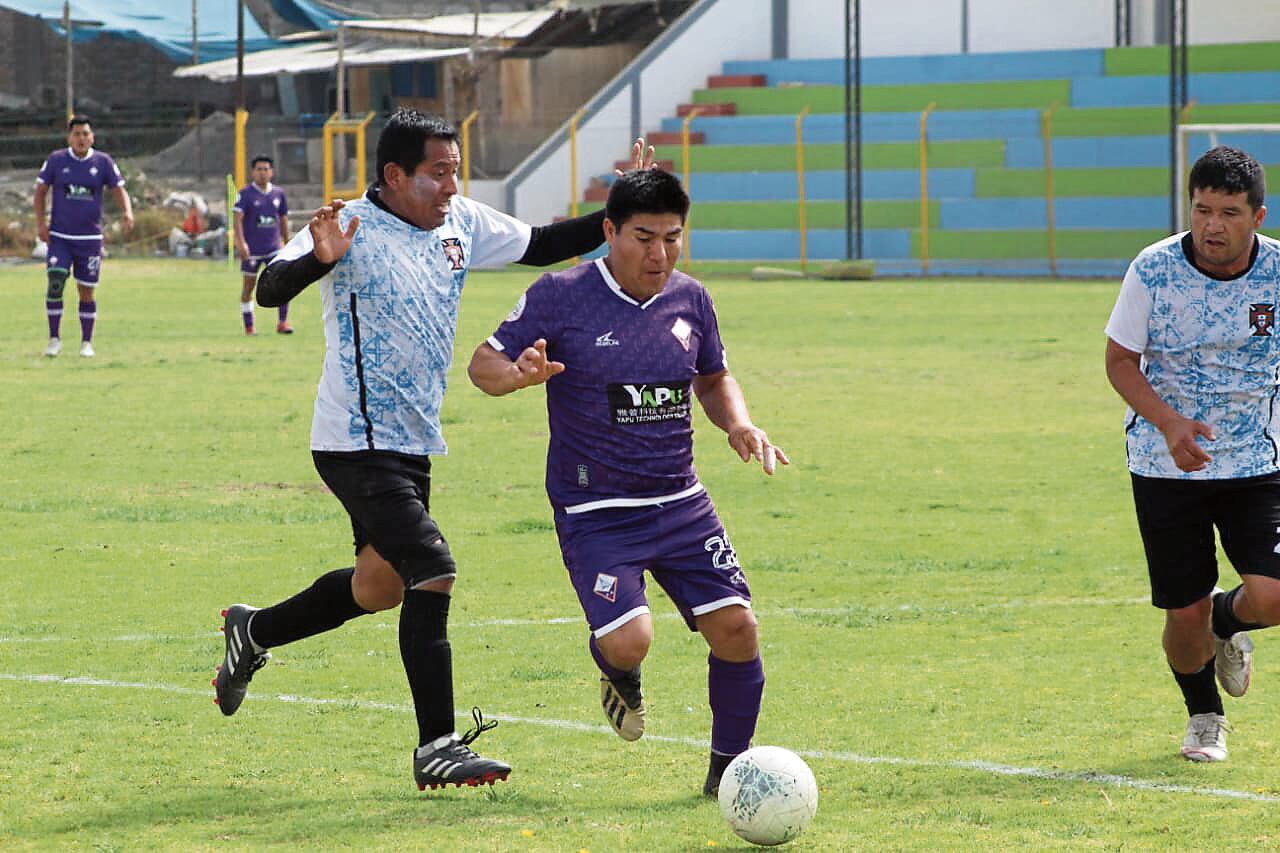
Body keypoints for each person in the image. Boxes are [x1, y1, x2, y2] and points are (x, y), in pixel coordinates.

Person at [212, 108, 654, 792]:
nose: (452, 184)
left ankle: (254, 630)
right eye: (437, 172)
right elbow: (271, 285)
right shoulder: (349, 223)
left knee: (379, 586)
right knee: (433, 566)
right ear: (395, 175)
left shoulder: (461, 222)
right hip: (353, 441)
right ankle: (436, 745)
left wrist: (616, 206)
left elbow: (540, 243)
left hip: (412, 441)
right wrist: (316, 260)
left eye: (456, 169)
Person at [467, 168, 789, 797]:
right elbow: (484, 363)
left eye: (673, 238)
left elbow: (713, 377)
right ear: (608, 231)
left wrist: (740, 425)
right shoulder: (560, 295)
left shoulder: (691, 298)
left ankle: (728, 774)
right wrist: (518, 376)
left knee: (738, 629)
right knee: (628, 641)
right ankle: (616, 670)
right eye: (644, 237)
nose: (659, 254)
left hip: (680, 502)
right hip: (596, 509)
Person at [1105, 145, 1280, 763]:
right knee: (1184, 614)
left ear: (1257, 216)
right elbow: (1120, 362)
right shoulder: (1152, 270)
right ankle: (1204, 716)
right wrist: (1171, 423)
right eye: (1202, 209)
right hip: (1163, 464)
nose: (1211, 224)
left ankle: (1228, 625)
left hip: (1259, 462)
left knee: (1275, 595)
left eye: (1228, 212)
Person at [33, 114, 134, 358]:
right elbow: (40, 192)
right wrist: (40, 224)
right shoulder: (56, 160)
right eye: (77, 134)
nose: (81, 138)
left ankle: (86, 342)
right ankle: (54, 339)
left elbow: (119, 190)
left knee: (86, 290)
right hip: (60, 236)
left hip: (89, 239)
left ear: (92, 137)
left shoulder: (103, 162)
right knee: (55, 281)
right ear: (69, 136)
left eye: (85, 134)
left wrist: (127, 212)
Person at [233, 156, 292, 335]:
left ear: (271, 172)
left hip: (273, 248)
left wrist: (287, 243)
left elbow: (283, 219)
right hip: (252, 250)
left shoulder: (278, 194)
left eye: (266, 169)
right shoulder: (245, 194)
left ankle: (282, 323)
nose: (263, 173)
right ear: (253, 172)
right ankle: (249, 326)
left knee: (282, 284)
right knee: (249, 287)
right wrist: (241, 242)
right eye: (259, 169)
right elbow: (237, 219)